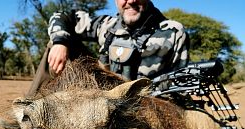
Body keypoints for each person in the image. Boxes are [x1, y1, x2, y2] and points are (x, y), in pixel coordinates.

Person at [27, 0, 189, 95]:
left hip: (146, 106)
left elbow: (180, 88)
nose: (130, 1)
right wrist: (60, 42)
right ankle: (30, 113)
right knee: (57, 42)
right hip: (102, 97)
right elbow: (60, 16)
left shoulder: (173, 31)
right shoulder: (106, 25)